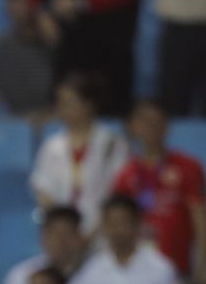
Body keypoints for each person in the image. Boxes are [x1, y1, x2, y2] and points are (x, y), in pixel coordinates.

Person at [112, 99, 206, 277]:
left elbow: (201, 221)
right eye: (144, 121)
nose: (151, 127)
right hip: (135, 271)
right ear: (133, 126)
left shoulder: (189, 168)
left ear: (167, 125)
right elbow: (115, 223)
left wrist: (202, 267)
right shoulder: (125, 174)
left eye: (157, 121)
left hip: (177, 268)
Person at [30, 73, 131, 234]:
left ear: (89, 104)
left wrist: (93, 231)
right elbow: (43, 192)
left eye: (69, 102)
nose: (62, 108)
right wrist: (63, 230)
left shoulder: (113, 144)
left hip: (102, 234)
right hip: (64, 238)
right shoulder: (51, 146)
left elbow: (118, 193)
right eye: (60, 102)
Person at [42, 0, 145, 117]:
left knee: (113, 113)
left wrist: (84, 2)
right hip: (70, 48)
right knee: (66, 110)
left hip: (112, 49)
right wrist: (42, 13)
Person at [0, 206, 87, 284]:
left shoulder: (93, 275)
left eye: (68, 233)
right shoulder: (22, 275)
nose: (62, 242)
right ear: (43, 237)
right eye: (56, 234)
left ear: (80, 237)